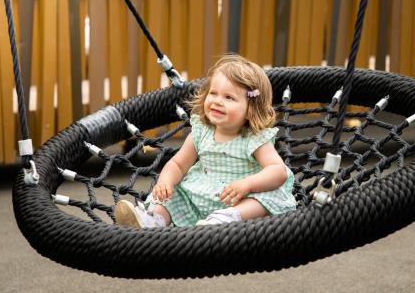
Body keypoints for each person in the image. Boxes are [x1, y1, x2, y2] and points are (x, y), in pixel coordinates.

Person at [115, 55, 296, 228]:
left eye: (229, 97)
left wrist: (248, 184)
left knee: (267, 197)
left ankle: (228, 218)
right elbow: (178, 164)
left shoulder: (254, 138)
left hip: (239, 198)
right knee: (174, 193)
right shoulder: (202, 131)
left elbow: (278, 172)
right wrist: (166, 182)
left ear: (251, 108)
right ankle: (153, 219)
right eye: (214, 93)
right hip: (200, 196)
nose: (217, 101)